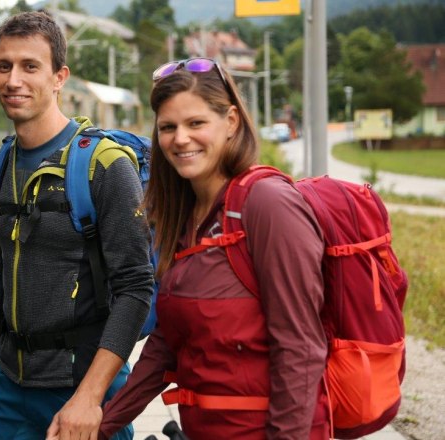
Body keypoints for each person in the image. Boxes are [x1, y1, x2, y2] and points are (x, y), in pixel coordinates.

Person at [98, 59, 330, 439]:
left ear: (232, 122)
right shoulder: (184, 217)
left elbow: (300, 349)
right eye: (168, 127)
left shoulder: (267, 204)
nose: (180, 139)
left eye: (196, 123)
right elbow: (166, 346)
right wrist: (101, 425)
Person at [0, 11, 153, 440]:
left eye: (30, 66)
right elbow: (5, 279)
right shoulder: (3, 163)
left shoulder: (104, 166)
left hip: (81, 386)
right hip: (9, 387)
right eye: (3, 66)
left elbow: (136, 288)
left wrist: (90, 398)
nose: (13, 80)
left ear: (59, 77)